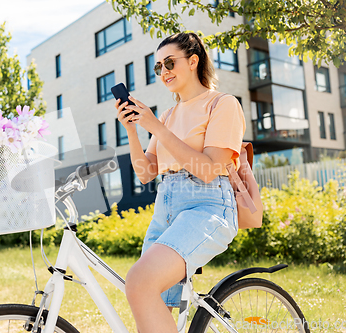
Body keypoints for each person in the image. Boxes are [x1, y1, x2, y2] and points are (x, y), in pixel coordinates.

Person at [115, 32, 246, 332]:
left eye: (170, 62)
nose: (164, 72)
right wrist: (133, 131)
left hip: (207, 206)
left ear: (193, 61)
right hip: (167, 209)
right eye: (158, 67)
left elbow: (210, 169)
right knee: (148, 298)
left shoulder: (222, 104)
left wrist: (157, 129)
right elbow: (146, 172)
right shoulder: (168, 115)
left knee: (139, 282)